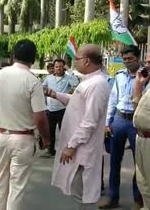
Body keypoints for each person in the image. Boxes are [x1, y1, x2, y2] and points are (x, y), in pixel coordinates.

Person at [0, 39, 50, 210]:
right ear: (33, 59)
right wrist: (47, 139)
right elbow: (40, 116)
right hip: (23, 139)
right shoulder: (33, 81)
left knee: (1, 179)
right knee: (17, 185)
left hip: (2, 135)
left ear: (13, 56)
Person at [47, 44, 111, 209]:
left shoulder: (97, 84)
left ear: (87, 61)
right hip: (80, 146)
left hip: (84, 148)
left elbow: (90, 121)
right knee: (78, 191)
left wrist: (71, 146)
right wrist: (55, 94)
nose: (74, 63)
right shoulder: (88, 81)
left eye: (77, 59)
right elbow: (76, 102)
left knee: (82, 194)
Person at [99, 45, 143, 209]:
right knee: (114, 161)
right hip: (118, 120)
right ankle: (113, 197)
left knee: (139, 163)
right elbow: (113, 99)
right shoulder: (119, 76)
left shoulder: (145, 76)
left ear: (137, 59)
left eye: (130, 59)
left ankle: (138, 199)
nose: (127, 63)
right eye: (124, 60)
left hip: (136, 122)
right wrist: (107, 123)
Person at [132, 48, 150, 210]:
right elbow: (137, 106)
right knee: (143, 185)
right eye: (146, 62)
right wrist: (138, 83)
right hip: (141, 140)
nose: (147, 65)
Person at [42, 58, 79, 157]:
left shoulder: (68, 78)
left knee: (64, 132)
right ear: (54, 68)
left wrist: (69, 70)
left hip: (63, 109)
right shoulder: (49, 78)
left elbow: (76, 83)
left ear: (64, 68)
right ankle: (50, 150)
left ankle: (65, 151)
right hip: (50, 109)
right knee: (50, 131)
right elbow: (42, 87)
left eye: (61, 67)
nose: (58, 69)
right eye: (56, 67)